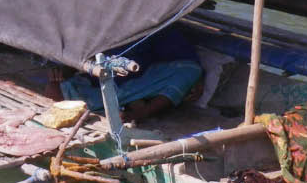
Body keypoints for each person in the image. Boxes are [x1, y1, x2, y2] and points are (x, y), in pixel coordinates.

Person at [46, 25, 203, 123]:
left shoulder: (160, 26)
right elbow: (75, 56)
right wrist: (62, 73)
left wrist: (199, 78)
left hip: (140, 82)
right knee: (56, 94)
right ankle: (128, 105)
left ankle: (140, 111)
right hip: (97, 85)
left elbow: (188, 61)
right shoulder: (102, 20)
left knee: (191, 70)